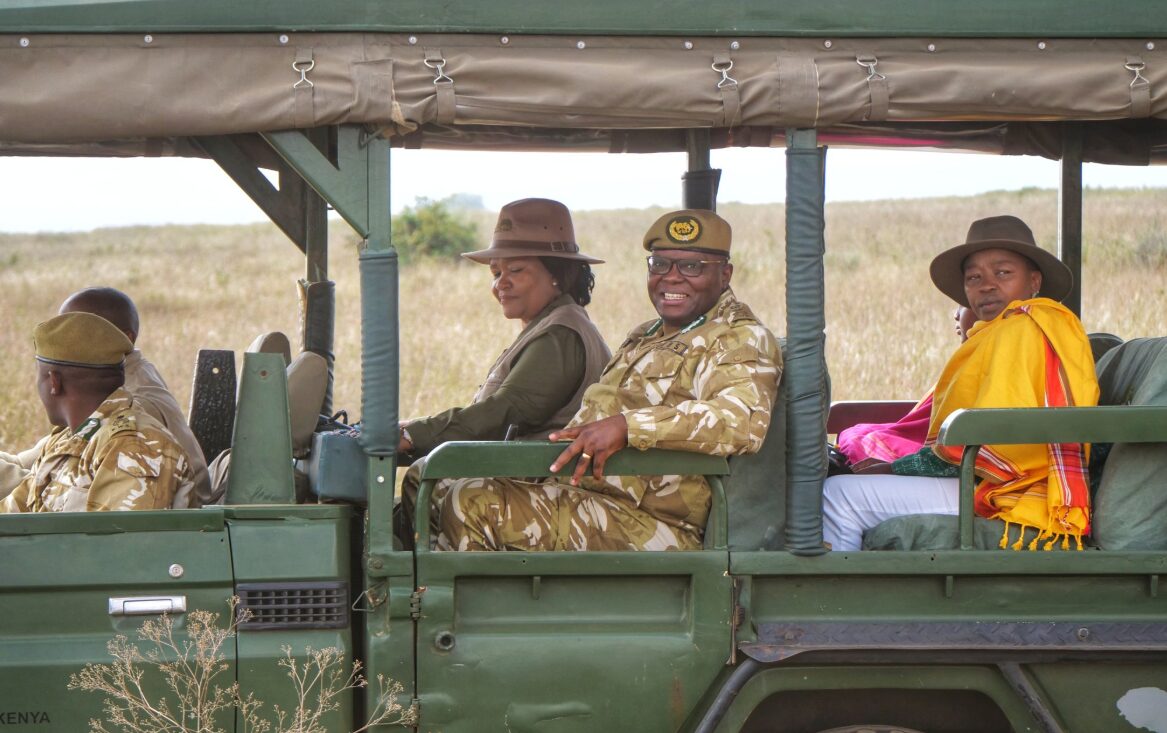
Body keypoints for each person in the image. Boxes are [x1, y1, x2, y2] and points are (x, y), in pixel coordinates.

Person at [436, 208, 782, 551]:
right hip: (592, 491)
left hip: (656, 522)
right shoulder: (646, 334)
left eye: (692, 267)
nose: (672, 277)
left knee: (472, 502)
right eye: (660, 265)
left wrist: (629, 427)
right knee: (435, 481)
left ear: (724, 275)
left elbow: (740, 422)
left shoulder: (739, 338)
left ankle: (483, 606)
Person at [822, 215, 1100, 551]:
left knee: (837, 497)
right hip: (994, 481)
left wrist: (895, 467)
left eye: (1003, 272)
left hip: (1010, 490)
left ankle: (839, 602)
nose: (986, 285)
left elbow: (983, 440)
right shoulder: (1005, 331)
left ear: (1034, 280)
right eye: (974, 277)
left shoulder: (1022, 329)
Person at [394, 198, 612, 545]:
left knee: (428, 480)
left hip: (549, 489)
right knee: (422, 479)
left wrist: (414, 435)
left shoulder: (559, 335)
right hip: (530, 478)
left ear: (557, 274)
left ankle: (421, 592)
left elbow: (505, 412)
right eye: (496, 273)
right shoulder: (548, 326)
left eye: (516, 271)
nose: (501, 284)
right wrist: (411, 428)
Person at [0, 287, 210, 508]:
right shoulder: (75, 433)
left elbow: (118, 540)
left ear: (54, 382)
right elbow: (17, 508)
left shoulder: (136, 447)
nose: (71, 332)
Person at [836, 306, 976, 467]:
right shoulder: (969, 359)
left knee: (834, 486)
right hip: (948, 460)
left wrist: (896, 467)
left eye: (963, 304)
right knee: (859, 435)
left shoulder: (983, 364)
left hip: (960, 470)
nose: (956, 314)